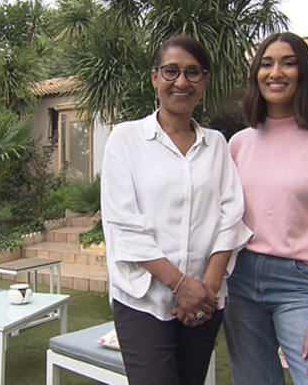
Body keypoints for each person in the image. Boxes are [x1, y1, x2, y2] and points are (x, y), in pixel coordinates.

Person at [101, 34, 252, 384]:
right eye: (171, 71)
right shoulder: (125, 140)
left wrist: (206, 289)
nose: (181, 81)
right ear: (154, 77)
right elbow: (124, 225)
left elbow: (231, 214)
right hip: (144, 299)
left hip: (203, 300)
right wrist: (180, 285)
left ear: (204, 81)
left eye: (192, 72)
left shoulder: (217, 144)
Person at [223, 32, 308, 385]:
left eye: (288, 62)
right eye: (266, 63)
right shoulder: (239, 143)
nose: (276, 72)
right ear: (256, 74)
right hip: (241, 281)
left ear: (305, 73)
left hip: (302, 286)